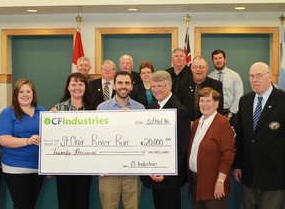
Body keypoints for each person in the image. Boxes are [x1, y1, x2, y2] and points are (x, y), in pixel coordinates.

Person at [233, 62, 285, 209]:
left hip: (275, 178)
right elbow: (241, 136)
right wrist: (237, 165)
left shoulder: (282, 100)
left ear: (269, 77)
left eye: (259, 76)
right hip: (248, 177)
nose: (254, 79)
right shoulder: (245, 101)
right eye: (251, 76)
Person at [141, 70, 191, 209]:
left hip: (169, 177)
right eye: (153, 86)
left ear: (169, 86)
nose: (156, 90)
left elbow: (182, 147)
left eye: (160, 86)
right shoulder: (152, 107)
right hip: (154, 173)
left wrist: (166, 172)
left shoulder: (179, 110)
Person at [97, 71, 145, 209]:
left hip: (132, 171)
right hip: (108, 171)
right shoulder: (102, 108)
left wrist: (131, 121)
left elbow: (144, 138)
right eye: (120, 83)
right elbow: (97, 138)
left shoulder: (140, 109)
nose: (123, 86)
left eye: (127, 83)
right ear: (114, 86)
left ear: (131, 87)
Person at [0, 78, 45, 209]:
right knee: (22, 206)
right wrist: (28, 141)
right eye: (21, 92)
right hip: (15, 167)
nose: (25, 95)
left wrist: (55, 117)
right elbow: (3, 140)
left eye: (28, 91)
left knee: (31, 205)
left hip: (37, 167)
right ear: (15, 95)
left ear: (33, 94)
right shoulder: (8, 113)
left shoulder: (43, 112)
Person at [188, 87, 235, 209]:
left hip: (214, 184)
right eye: (202, 101)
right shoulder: (197, 123)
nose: (204, 104)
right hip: (196, 183)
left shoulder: (223, 124)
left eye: (209, 101)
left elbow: (228, 155)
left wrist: (220, 182)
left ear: (217, 104)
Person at [54, 72, 95, 209]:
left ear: (85, 87)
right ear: (68, 87)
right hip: (63, 164)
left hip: (85, 163)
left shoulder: (93, 109)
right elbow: (52, 136)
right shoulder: (58, 109)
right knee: (65, 201)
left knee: (82, 200)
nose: (77, 87)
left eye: (80, 84)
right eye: (73, 84)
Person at [208, 49, 243, 128]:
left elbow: (239, 96)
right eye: (215, 58)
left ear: (225, 60)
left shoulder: (234, 76)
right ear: (213, 61)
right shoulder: (209, 77)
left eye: (220, 58)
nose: (218, 60)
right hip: (214, 114)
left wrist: (230, 115)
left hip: (233, 114)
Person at [181, 55, 223, 121]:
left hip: (209, 123)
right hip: (188, 124)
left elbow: (219, 107)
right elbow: (179, 107)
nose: (198, 69)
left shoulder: (216, 85)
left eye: (201, 67)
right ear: (191, 69)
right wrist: (187, 121)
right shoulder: (183, 84)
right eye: (195, 67)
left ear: (207, 68)